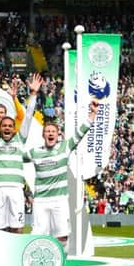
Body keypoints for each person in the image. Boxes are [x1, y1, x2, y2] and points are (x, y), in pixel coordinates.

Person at [23, 100, 98, 249]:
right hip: (41, 201)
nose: (50, 134)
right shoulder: (34, 152)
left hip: (60, 200)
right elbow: (15, 157)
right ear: (43, 135)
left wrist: (93, 113)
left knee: (62, 236)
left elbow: (80, 132)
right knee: (38, 236)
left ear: (58, 134)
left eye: (53, 131)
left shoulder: (65, 147)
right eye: (47, 131)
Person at [0, 73, 42, 233]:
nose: (7, 128)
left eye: (10, 125)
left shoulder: (20, 138)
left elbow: (28, 116)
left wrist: (33, 94)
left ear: (14, 128)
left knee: (17, 227)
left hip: (16, 188)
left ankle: (17, 255)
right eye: (4, 125)